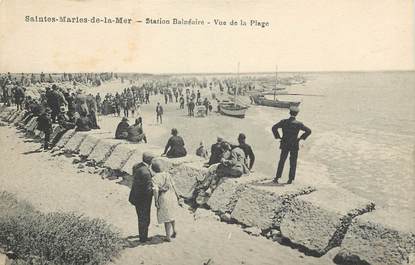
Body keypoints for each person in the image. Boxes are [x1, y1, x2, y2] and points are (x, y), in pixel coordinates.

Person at [271, 106, 311, 184]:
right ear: (297, 114)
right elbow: (309, 131)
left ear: (290, 113)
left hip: (285, 144)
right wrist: (301, 138)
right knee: (293, 162)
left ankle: (277, 178)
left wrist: (278, 137)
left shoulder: (283, 121)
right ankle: (290, 180)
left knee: (282, 161)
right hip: (294, 145)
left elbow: (274, 128)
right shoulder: (299, 124)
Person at [151, 160, 183, 242]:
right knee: (171, 214)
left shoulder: (154, 178)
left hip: (163, 197)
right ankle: (174, 230)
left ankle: (168, 236)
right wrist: (178, 196)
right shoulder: (167, 175)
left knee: (166, 217)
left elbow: (155, 190)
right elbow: (174, 186)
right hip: (171, 196)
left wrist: (156, 200)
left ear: (153, 169)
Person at [128, 153, 154, 243]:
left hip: (135, 195)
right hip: (143, 199)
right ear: (150, 161)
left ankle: (142, 234)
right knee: (144, 218)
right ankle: (143, 238)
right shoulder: (146, 172)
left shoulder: (136, 166)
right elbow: (148, 190)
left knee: (140, 217)